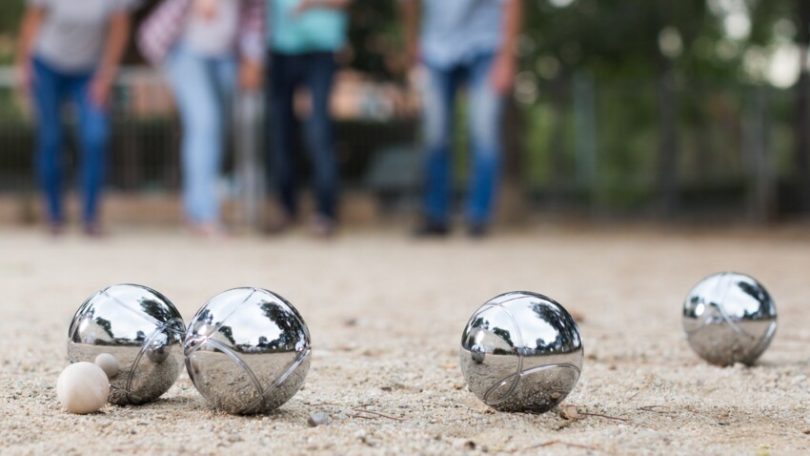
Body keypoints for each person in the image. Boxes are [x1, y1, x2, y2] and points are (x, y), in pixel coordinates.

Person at [139, 0, 264, 237]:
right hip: (187, 52)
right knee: (204, 123)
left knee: (216, 132)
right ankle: (205, 214)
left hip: (227, 56)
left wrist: (253, 57)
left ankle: (194, 208)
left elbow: (253, 18)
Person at [402, 0, 522, 237]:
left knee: (484, 132)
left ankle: (479, 217)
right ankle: (436, 215)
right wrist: (412, 40)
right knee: (434, 136)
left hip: (486, 45)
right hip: (435, 48)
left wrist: (507, 57)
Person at [16, 0, 133, 236]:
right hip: (48, 66)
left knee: (95, 138)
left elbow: (120, 29)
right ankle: (54, 216)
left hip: (90, 69)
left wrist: (105, 77)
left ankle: (90, 218)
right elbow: (31, 22)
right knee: (50, 139)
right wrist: (23, 67)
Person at [266, 0, 351, 237]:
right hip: (281, 47)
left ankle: (326, 211)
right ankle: (285, 207)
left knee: (319, 130)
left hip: (322, 47)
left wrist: (309, 4)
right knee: (280, 131)